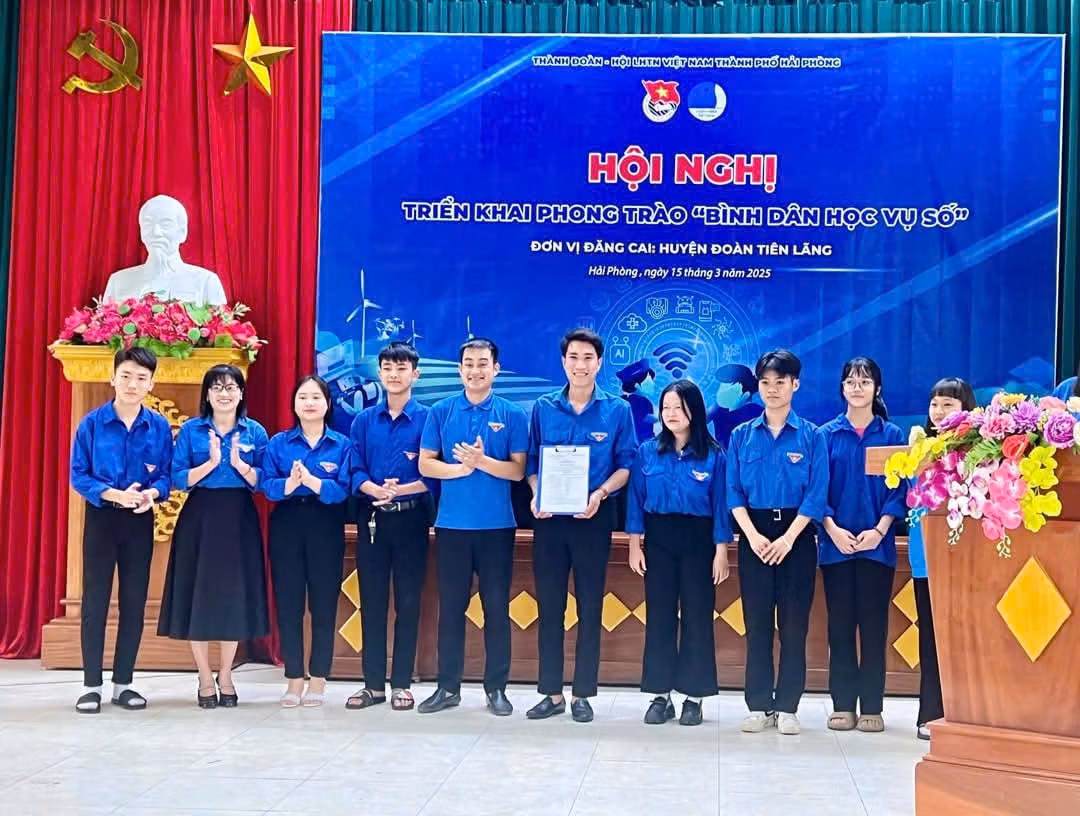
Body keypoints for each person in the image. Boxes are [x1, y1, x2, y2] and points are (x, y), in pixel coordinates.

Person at [526, 328, 637, 723]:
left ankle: (583, 694)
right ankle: (551, 692)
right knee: (550, 605)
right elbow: (532, 464)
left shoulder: (617, 410)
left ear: (599, 363)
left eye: (588, 358)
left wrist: (601, 494)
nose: (580, 365)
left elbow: (626, 465)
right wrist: (536, 493)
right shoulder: (543, 407)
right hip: (550, 521)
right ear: (563, 362)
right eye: (573, 357)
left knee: (590, 606)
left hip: (593, 518)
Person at [416, 338, 528, 716]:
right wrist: (460, 470)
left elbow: (517, 471)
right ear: (459, 368)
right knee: (451, 609)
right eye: (468, 363)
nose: (475, 370)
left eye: (483, 363)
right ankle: (448, 687)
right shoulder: (441, 411)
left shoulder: (512, 413)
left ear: (496, 369)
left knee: (496, 609)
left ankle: (496, 688)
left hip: (497, 527)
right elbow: (426, 464)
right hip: (451, 526)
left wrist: (482, 462)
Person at [726, 349, 828, 735]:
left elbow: (816, 494)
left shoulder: (812, 436)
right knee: (756, 626)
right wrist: (752, 536)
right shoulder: (741, 436)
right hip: (753, 535)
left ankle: (787, 706)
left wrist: (788, 538)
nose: (772, 389)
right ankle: (758, 705)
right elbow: (733, 492)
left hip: (796, 537)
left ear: (795, 384)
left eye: (780, 382)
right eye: (765, 382)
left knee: (793, 626)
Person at [158, 364, 269, 708]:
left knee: (233, 596)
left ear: (241, 393)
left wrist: (238, 463)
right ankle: (204, 676)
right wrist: (211, 463)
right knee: (199, 594)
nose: (224, 393)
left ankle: (226, 674)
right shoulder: (192, 430)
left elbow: (265, 481)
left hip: (239, 517)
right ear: (207, 394)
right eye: (217, 387)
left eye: (231, 387)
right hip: (200, 517)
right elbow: (177, 478)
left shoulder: (254, 431)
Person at [69, 348, 173, 713]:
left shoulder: (158, 427)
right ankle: (91, 686)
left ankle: (123, 683)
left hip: (139, 520)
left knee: (134, 601)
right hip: (102, 517)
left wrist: (151, 495)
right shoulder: (92, 424)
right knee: (95, 601)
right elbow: (79, 474)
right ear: (112, 378)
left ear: (151, 384)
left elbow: (165, 476)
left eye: (141, 378)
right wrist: (114, 494)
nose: (132, 384)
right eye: (126, 376)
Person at [626, 379, 732, 726]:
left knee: (697, 617)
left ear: (694, 411)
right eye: (666, 408)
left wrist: (721, 552)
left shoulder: (715, 455)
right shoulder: (647, 452)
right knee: (660, 616)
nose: (671, 414)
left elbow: (721, 506)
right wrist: (634, 544)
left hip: (699, 540)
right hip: (658, 539)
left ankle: (693, 697)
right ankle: (660, 695)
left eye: (679, 407)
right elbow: (635, 501)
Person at [819, 357, 906, 733]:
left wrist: (880, 530)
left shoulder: (892, 435)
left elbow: (899, 491)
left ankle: (872, 705)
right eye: (851, 381)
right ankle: (842, 704)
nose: (857, 388)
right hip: (835, 546)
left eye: (865, 381)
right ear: (842, 388)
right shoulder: (826, 435)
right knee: (839, 628)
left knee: (873, 628)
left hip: (877, 547)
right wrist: (832, 528)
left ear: (877, 389)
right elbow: (817, 489)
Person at [346, 342, 433, 712]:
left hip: (412, 519)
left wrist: (401, 490)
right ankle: (372, 685)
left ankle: (401, 684)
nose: (394, 374)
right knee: (372, 603)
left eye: (402, 368)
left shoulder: (429, 418)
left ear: (415, 373)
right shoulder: (364, 421)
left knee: (409, 602)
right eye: (388, 368)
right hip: (373, 520)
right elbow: (354, 468)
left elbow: (435, 474)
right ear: (379, 373)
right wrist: (374, 490)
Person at [262, 375, 351, 708]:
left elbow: (344, 489)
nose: (309, 403)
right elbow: (266, 484)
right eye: (303, 397)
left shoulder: (342, 444)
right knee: (289, 604)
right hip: (287, 523)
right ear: (294, 404)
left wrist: (314, 482)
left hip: (325, 525)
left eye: (316, 397)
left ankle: (319, 679)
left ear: (327, 404)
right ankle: (294, 678)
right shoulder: (279, 443)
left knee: (324, 604)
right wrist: (289, 484)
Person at [910, 376, 975, 740]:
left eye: (948, 404)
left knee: (967, 638)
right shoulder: (918, 450)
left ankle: (968, 715)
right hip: (926, 557)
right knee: (931, 638)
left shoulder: (980, 450)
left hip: (968, 561)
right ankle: (931, 713)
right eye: (935, 404)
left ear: (965, 408)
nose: (938, 411)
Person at [104, 195, 228, 306]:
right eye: (148, 224)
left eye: (166, 224)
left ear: (182, 232)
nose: (155, 232)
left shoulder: (206, 282)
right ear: (141, 233)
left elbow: (221, 323)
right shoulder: (118, 282)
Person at [707, 363, 763, 448]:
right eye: (720, 388)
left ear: (745, 395)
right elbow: (698, 421)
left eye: (728, 391)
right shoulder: (719, 408)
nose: (719, 393)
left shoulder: (758, 413)